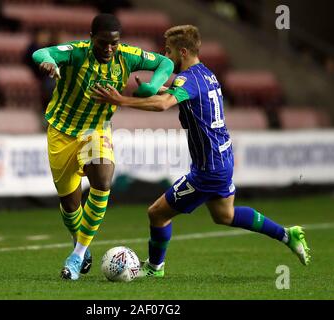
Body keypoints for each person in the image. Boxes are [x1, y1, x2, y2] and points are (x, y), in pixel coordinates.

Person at [93, 25, 311, 278]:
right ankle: (287, 234)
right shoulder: (207, 74)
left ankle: (154, 269)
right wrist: (160, 90)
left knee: (157, 213)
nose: (166, 57)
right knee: (225, 215)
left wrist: (121, 100)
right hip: (222, 157)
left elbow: (164, 105)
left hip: (209, 168)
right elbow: (184, 97)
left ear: (183, 51)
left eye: (169, 51)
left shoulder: (188, 79)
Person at [32, 13, 174, 280]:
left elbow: (165, 62)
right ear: (91, 38)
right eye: (103, 43)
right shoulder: (76, 53)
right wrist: (49, 64)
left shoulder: (128, 57)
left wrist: (153, 86)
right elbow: (42, 52)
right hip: (61, 132)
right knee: (70, 204)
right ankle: (79, 244)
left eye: (114, 43)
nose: (109, 48)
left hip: (94, 131)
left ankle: (76, 257)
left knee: (103, 180)